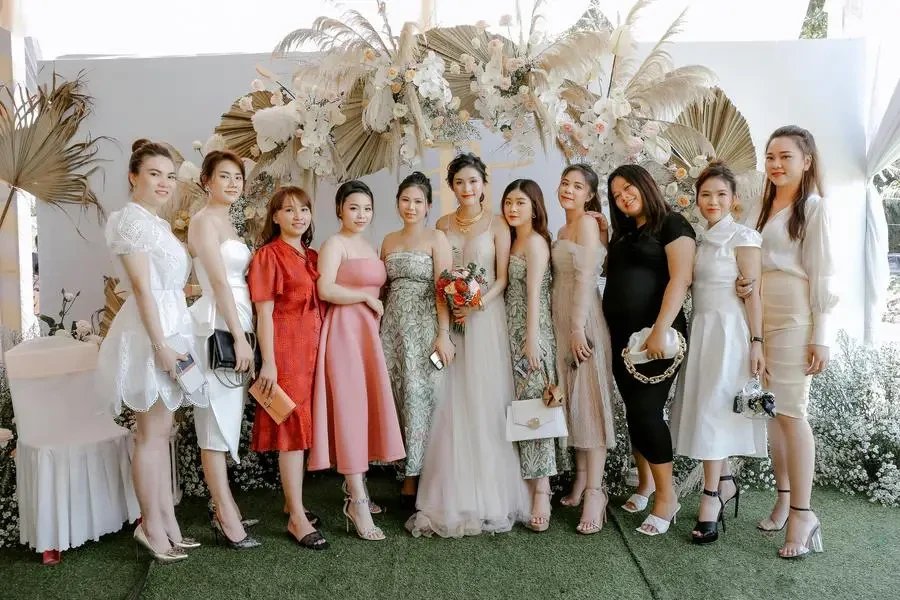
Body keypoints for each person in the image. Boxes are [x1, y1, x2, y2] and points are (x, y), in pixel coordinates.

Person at [406, 153, 529, 537]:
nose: (467, 189)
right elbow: (441, 276)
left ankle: (492, 495)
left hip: (485, 319)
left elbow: (503, 279)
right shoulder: (442, 224)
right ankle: (450, 492)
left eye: (473, 181)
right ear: (452, 186)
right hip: (451, 321)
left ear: (483, 184)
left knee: (484, 399)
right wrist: (453, 306)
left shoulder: (497, 225)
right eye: (459, 182)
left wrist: (475, 304)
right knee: (451, 400)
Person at [99, 139, 205, 562]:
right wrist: (161, 345)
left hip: (171, 325)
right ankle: (151, 526)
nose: (164, 183)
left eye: (169, 176)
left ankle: (167, 522)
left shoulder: (158, 225)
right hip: (151, 334)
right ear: (134, 177)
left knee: (162, 433)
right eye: (154, 174)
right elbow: (142, 287)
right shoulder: (131, 220)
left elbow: (165, 284)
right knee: (150, 434)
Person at [737, 126, 837, 559]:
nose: (776, 164)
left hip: (796, 316)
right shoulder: (761, 206)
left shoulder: (813, 208)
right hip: (759, 314)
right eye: (771, 156)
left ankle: (802, 512)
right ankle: (782, 497)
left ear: (807, 161)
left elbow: (823, 274)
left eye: (786, 157)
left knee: (793, 414)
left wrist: (823, 337)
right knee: (773, 414)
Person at [669, 161, 767, 544]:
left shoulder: (743, 237)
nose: (713, 201)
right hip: (703, 332)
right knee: (708, 409)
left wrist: (757, 342)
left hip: (730, 334)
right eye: (706, 195)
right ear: (696, 199)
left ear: (734, 200)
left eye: (721, 195)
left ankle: (711, 496)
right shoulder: (699, 239)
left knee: (713, 409)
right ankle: (724, 481)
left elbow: (753, 293)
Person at [309, 180, 406, 541]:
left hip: (368, 336)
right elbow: (325, 288)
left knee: (364, 410)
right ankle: (358, 500)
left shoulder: (368, 244)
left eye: (366, 208)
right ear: (339, 210)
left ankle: (357, 487)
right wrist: (364, 300)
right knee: (350, 410)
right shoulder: (335, 243)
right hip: (345, 334)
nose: (361, 214)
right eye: (353, 208)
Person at [603, 164, 696, 536]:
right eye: (616, 195)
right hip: (622, 338)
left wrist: (660, 329)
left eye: (628, 188)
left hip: (658, 338)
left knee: (646, 411)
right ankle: (644, 484)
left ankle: (666, 498)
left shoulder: (673, 224)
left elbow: (681, 277)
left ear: (645, 185)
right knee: (634, 411)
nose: (624, 197)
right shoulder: (625, 234)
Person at [187, 150, 260, 550]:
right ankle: (224, 511)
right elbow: (217, 283)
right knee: (214, 419)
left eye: (238, 178)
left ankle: (225, 503)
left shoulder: (227, 222)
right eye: (224, 176)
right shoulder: (202, 222)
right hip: (218, 326)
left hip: (236, 322)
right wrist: (239, 335)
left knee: (226, 415)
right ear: (206, 180)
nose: (233, 184)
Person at [248, 186, 328, 550]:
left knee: (304, 427)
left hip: (313, 353)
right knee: (292, 429)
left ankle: (291, 502)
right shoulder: (268, 256)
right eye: (289, 210)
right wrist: (270, 363)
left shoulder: (310, 255)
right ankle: (296, 517)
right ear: (275, 216)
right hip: (286, 353)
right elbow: (263, 313)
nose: (298, 215)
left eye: (304, 209)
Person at [380, 172, 454, 507]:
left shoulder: (437, 238)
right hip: (392, 329)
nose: (411, 207)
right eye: (405, 200)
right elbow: (382, 288)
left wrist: (443, 334)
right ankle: (401, 468)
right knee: (396, 396)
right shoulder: (388, 240)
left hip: (425, 329)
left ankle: (418, 477)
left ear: (428, 207)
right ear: (398, 203)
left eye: (418, 201)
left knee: (422, 397)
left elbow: (444, 289)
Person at [552, 165, 617, 535]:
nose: (569, 190)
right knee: (573, 399)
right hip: (562, 319)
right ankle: (580, 480)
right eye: (565, 183)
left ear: (590, 194)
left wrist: (578, 327)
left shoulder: (587, 225)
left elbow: (588, 275)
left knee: (590, 400)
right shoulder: (563, 229)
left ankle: (596, 491)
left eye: (578, 186)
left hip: (583, 319)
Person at [502, 178, 569, 532]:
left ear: (535, 207)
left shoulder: (536, 243)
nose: (513, 208)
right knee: (521, 407)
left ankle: (542, 490)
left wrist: (530, 339)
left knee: (535, 408)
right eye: (509, 202)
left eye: (520, 203)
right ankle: (526, 484)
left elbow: (533, 295)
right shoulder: (513, 241)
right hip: (511, 331)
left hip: (532, 330)